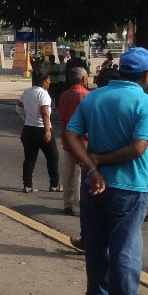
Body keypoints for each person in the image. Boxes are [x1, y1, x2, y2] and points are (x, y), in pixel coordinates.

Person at [64, 47, 148, 295]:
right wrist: (99, 161)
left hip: (94, 184)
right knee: (125, 249)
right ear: (146, 74)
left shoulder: (95, 97)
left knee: (96, 244)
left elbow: (70, 133)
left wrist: (91, 166)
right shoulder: (144, 102)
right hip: (130, 186)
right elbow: (139, 147)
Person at [18, 69, 61, 193]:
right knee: (53, 156)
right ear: (43, 82)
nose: (49, 82)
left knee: (30, 158)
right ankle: (54, 184)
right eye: (48, 80)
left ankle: (27, 185)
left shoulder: (27, 92)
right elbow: (45, 113)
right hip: (41, 128)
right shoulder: (43, 94)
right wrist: (47, 131)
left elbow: (19, 105)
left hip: (28, 129)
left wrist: (28, 114)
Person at [59, 67, 91, 216]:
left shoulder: (64, 95)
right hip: (82, 140)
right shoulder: (86, 95)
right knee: (79, 173)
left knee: (68, 172)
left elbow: (62, 115)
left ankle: (67, 202)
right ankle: (77, 206)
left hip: (67, 138)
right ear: (83, 79)